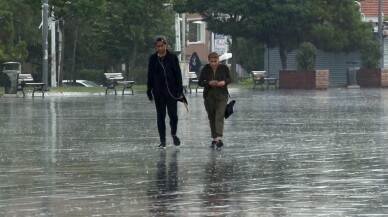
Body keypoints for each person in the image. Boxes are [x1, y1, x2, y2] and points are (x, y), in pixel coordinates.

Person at [147, 35, 184, 149]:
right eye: (158, 46)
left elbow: (177, 74)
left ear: (166, 45)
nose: (160, 48)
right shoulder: (153, 58)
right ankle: (162, 140)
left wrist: (180, 90)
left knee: (173, 115)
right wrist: (149, 89)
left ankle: (173, 133)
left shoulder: (172, 57)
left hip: (171, 91)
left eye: (162, 46)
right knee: (160, 116)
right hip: (159, 92)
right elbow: (150, 75)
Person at [198, 52, 232, 149]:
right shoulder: (205, 69)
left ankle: (219, 138)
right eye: (211, 61)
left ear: (218, 60)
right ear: (209, 61)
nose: (213, 63)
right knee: (212, 117)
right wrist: (208, 82)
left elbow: (230, 79)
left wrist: (223, 82)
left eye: (215, 61)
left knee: (219, 115)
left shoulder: (224, 68)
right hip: (209, 96)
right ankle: (214, 138)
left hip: (222, 95)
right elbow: (200, 82)